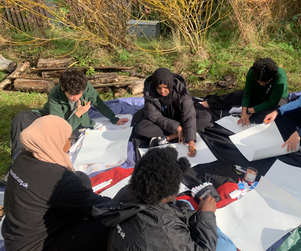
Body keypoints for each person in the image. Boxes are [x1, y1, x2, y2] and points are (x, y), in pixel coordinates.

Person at [93, 147, 237, 251]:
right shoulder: (167, 232)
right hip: (155, 236)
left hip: (136, 235)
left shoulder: (128, 191)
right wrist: (206, 216)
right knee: (227, 247)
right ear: (168, 193)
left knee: (185, 205)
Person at [2, 115, 111, 251]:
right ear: (54, 140)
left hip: (14, 236)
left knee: (81, 177)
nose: (71, 144)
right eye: (70, 139)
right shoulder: (59, 179)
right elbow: (102, 206)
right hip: (37, 246)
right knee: (106, 226)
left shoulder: (23, 157)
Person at [9, 69, 128, 163]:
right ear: (62, 88)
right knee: (21, 116)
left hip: (75, 125)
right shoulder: (55, 95)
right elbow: (59, 127)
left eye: (79, 94)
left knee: (63, 143)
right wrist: (78, 113)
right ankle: (17, 159)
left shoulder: (85, 86)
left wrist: (114, 118)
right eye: (71, 95)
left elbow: (99, 103)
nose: (75, 98)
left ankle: (37, 158)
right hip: (54, 119)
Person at [132, 68, 212, 157]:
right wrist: (177, 127)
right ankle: (184, 131)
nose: (162, 91)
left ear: (170, 84)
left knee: (205, 117)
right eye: (159, 88)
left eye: (165, 87)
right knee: (140, 129)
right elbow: (155, 117)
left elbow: (189, 116)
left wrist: (191, 143)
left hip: (179, 117)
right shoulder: (149, 93)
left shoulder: (181, 92)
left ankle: (171, 137)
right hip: (161, 121)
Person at [201, 58, 288, 124]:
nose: (261, 84)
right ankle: (208, 103)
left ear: (271, 78)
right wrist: (244, 110)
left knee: (272, 114)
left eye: (264, 82)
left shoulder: (280, 76)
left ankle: (251, 119)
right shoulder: (252, 72)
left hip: (275, 100)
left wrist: (249, 111)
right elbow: (247, 93)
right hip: (258, 96)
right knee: (236, 94)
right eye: (259, 82)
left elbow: (272, 102)